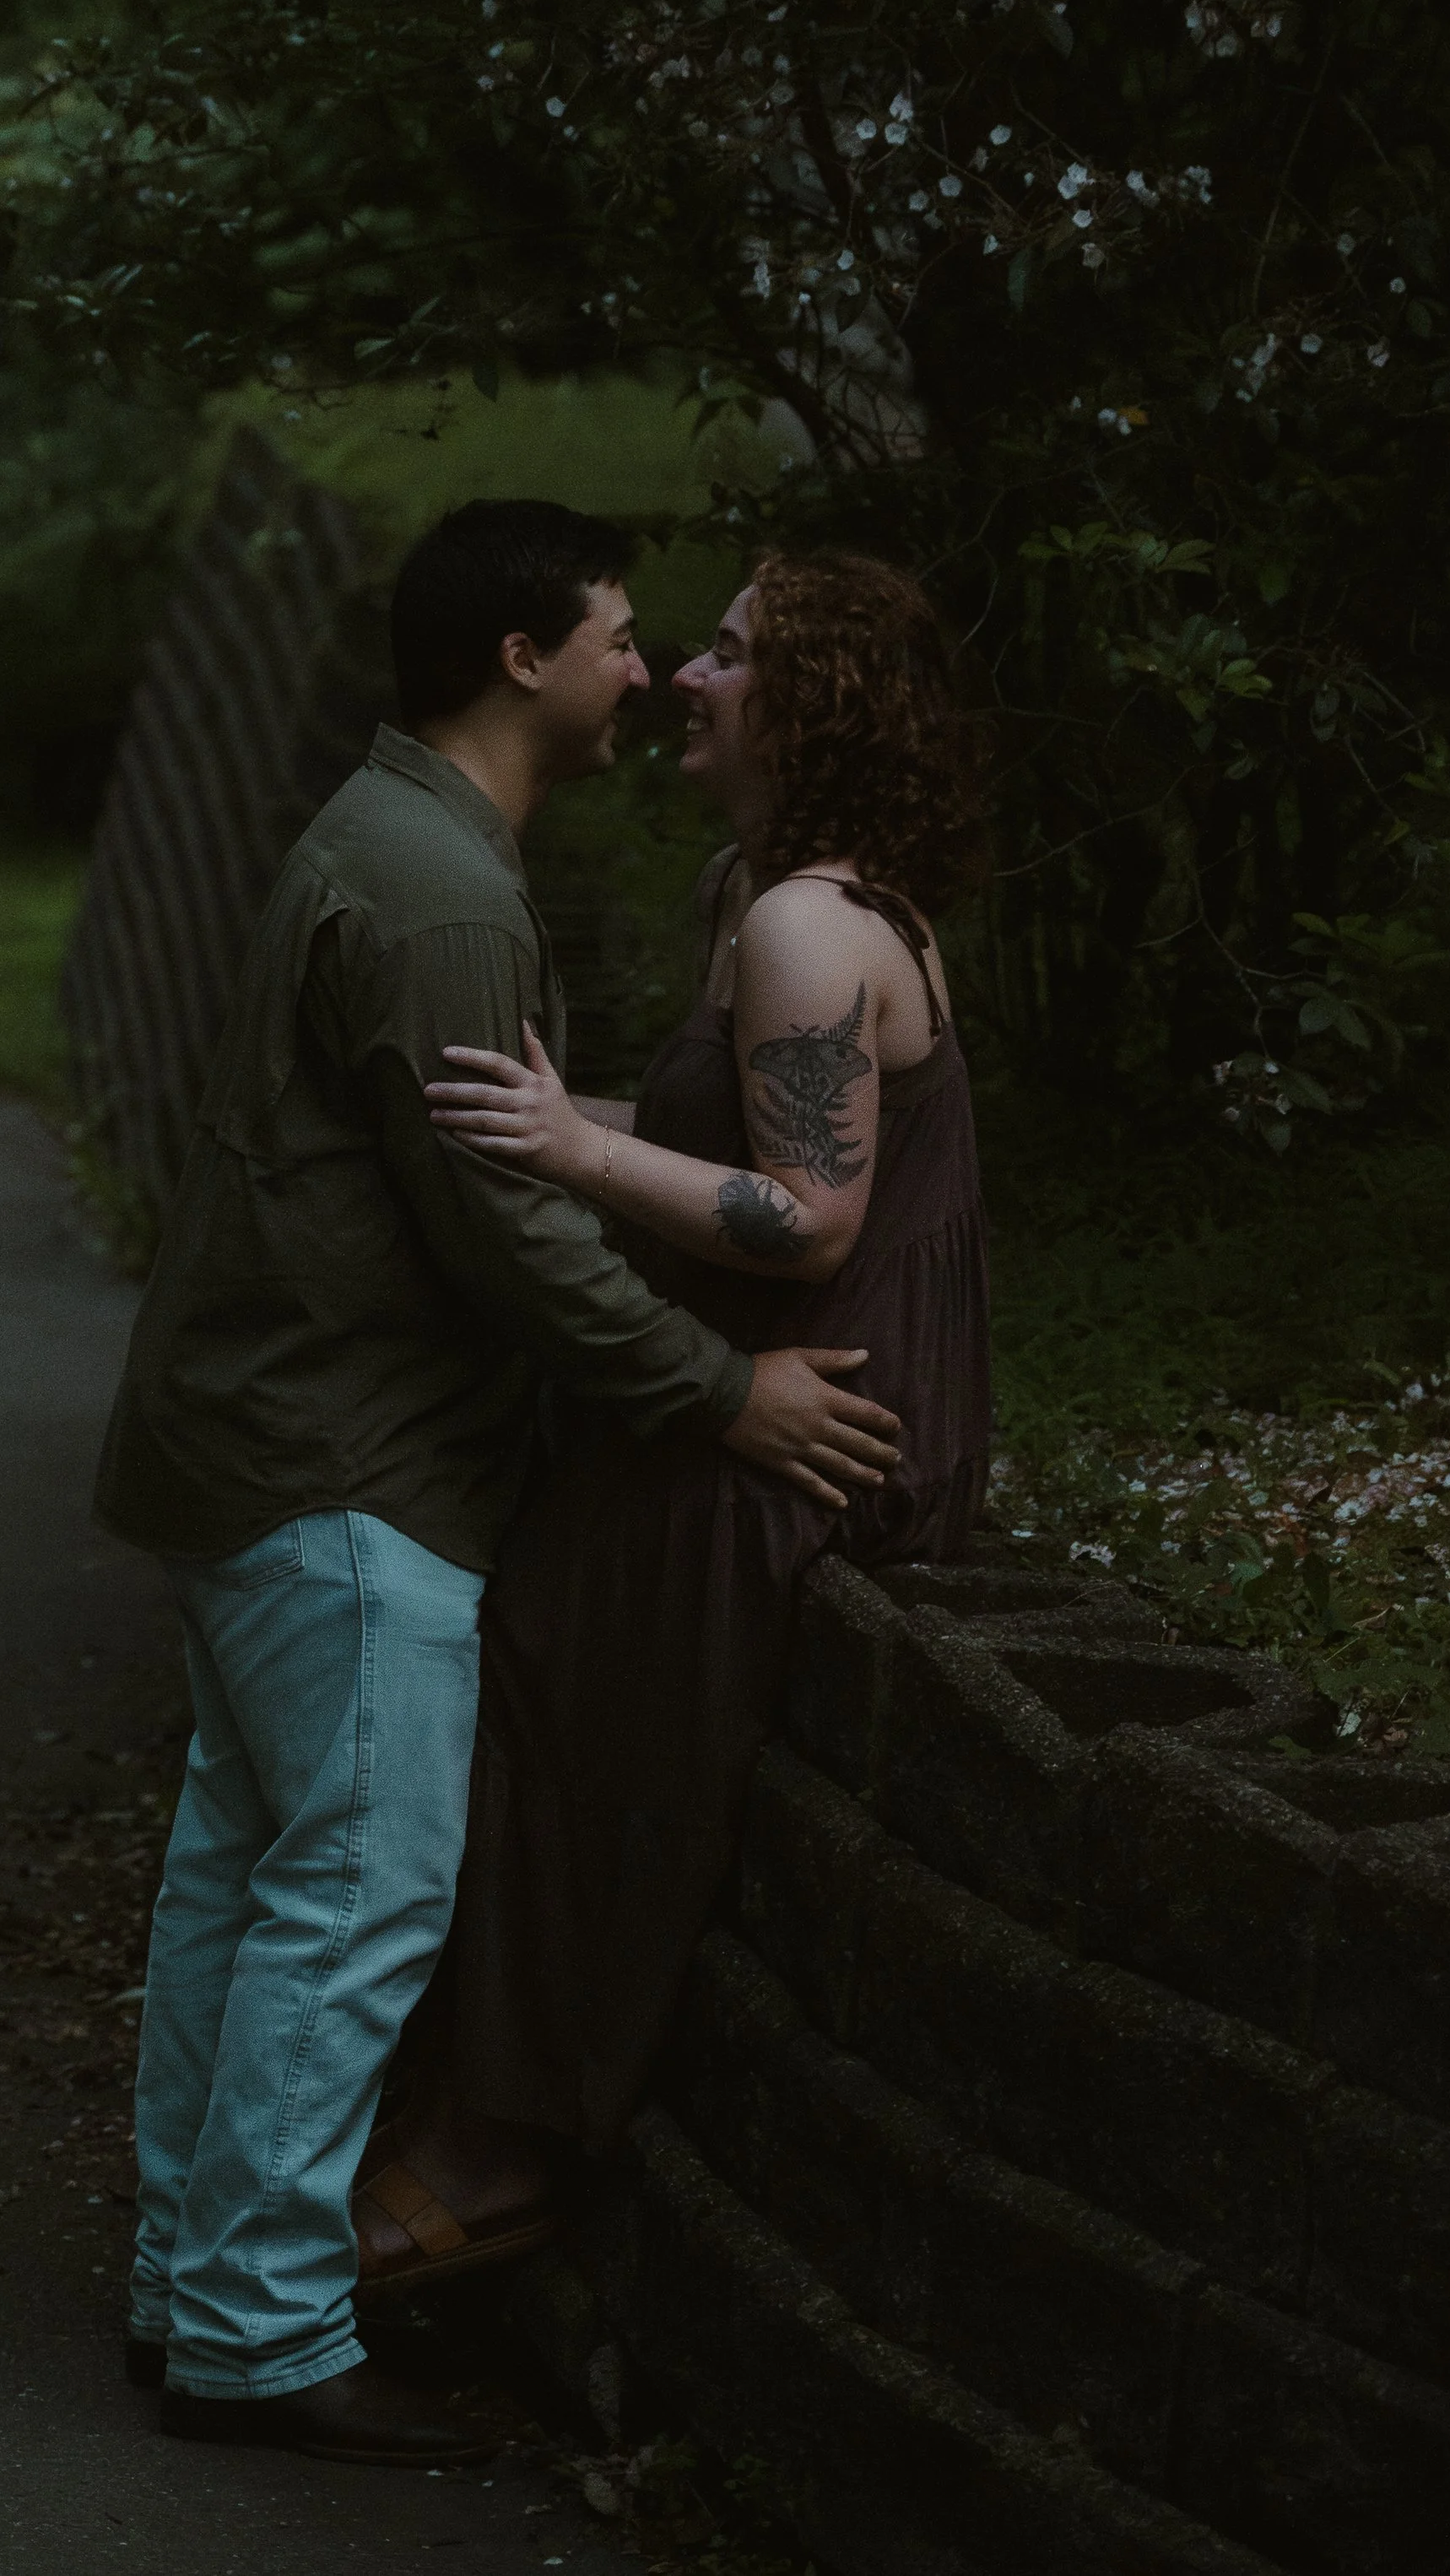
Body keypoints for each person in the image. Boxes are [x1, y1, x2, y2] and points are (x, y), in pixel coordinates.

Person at [92, 502, 903, 2464]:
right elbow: (505, 1236)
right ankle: (263, 2339)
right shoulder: (440, 890)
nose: (646, 671)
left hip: (250, 1443)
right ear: (524, 658)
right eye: (621, 637)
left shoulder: (394, 840)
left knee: (239, 1880)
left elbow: (506, 1176)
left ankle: (190, 2284)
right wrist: (721, 1393)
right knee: (358, 1895)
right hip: (339, 1471)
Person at [356, 547, 990, 2281]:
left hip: (831, 1411)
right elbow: (740, 1146)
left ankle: (519, 2136)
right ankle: (476, 2101)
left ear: (813, 705)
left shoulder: (806, 926)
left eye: (723, 655)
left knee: (582, 1667)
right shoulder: (755, 887)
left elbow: (810, 1215)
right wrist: (592, 1110)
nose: (677, 681)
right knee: (533, 1609)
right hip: (778, 1377)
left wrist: (568, 1148)